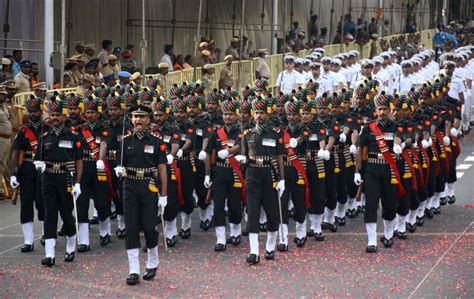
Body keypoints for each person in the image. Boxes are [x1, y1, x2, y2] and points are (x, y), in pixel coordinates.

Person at [114, 105, 168, 285]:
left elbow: (162, 170)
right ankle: (134, 269)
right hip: (129, 186)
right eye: (135, 117)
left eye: (142, 117)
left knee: (149, 226)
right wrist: (119, 170)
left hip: (149, 186)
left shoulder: (156, 142)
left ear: (148, 120)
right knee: (131, 227)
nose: (138, 120)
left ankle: (153, 261)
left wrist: (164, 195)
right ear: (131, 120)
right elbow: (119, 166)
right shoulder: (125, 142)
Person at [34, 96, 83, 267]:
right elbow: (37, 158)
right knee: (49, 214)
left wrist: (77, 182)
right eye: (52, 114)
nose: (54, 118)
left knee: (66, 213)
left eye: (58, 114)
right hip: (48, 178)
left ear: (65, 116)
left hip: (66, 178)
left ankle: (70, 245)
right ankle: (50, 253)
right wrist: (38, 165)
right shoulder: (44, 136)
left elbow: (78, 161)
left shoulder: (73, 136)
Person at [355, 93, 404, 253]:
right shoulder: (369, 127)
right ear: (375, 110)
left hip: (389, 169)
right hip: (372, 169)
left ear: (390, 109)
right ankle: (371, 241)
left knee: (389, 204)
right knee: (371, 204)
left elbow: (397, 138)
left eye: (384, 109)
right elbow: (360, 150)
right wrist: (357, 172)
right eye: (379, 109)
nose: (382, 112)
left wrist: (397, 146)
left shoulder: (395, 125)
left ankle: (388, 235)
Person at [240, 95, 285, 264]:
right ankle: (253, 252)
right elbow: (245, 156)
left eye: (262, 112)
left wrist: (282, 179)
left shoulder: (275, 134)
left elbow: (280, 157)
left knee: (272, 214)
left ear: (268, 114)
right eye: (256, 112)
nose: (259, 116)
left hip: (269, 174)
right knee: (252, 213)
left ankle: (270, 247)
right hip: (252, 174)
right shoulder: (247, 134)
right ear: (252, 114)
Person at [204, 99, 244, 251]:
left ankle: (235, 233)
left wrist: (230, 152)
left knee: (235, 204)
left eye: (231, 114)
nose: (228, 117)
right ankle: (220, 239)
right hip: (219, 171)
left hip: (235, 171)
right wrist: (207, 174)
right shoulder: (216, 133)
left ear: (236, 115)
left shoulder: (241, 131)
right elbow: (208, 153)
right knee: (219, 205)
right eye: (225, 114)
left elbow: (240, 146)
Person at [75, 96, 113, 252]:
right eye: (87, 112)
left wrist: (101, 159)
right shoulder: (79, 129)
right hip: (83, 170)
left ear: (98, 112)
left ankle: (105, 232)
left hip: (98, 169)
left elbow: (103, 144)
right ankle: (84, 240)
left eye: (92, 112)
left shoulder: (105, 128)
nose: (89, 115)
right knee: (81, 204)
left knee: (102, 202)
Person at [10, 95, 46, 252]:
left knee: (43, 204)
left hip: (44, 171)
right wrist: (13, 174)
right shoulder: (23, 131)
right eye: (30, 111)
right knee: (26, 205)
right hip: (26, 171)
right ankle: (28, 240)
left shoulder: (48, 128)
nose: (32, 114)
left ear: (40, 111)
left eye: (35, 111)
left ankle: (47, 234)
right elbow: (15, 152)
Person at [0, 85, 13, 200]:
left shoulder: (3, 107)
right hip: (0, 139)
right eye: (2, 94)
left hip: (6, 139)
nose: (4, 96)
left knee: (3, 165)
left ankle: (2, 188)